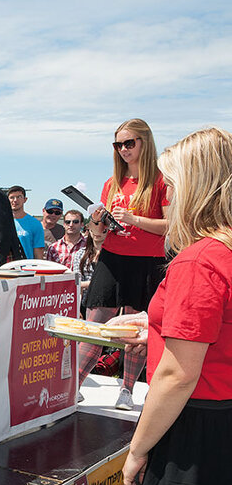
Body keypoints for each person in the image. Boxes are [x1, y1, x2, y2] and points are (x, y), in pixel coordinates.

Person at [121, 127, 232, 485]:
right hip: (220, 412)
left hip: (201, 426)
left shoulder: (200, 258)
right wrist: (155, 328)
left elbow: (176, 375)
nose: (165, 195)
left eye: (172, 184)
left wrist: (137, 449)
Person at [77, 118, 170, 411]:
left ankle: (126, 390)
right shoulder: (112, 182)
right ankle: (72, 385)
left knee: (134, 327)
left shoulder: (160, 180)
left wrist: (135, 220)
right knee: (95, 323)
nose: (123, 150)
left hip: (148, 262)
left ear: (145, 142)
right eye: (118, 144)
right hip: (113, 258)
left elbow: (171, 225)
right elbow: (98, 234)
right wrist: (96, 222)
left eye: (129, 143)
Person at [6, 186, 45, 259]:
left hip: (27, 268)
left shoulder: (35, 224)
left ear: (25, 199)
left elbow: (38, 254)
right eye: (12, 197)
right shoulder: (1, 222)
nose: (15, 200)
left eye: (19, 197)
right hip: (6, 268)